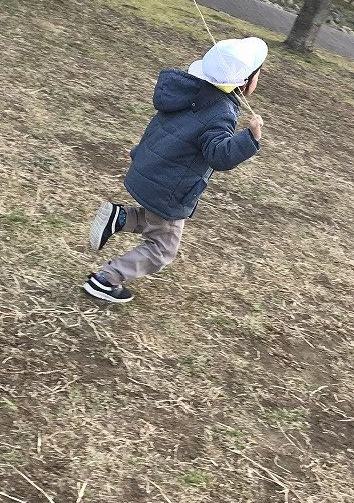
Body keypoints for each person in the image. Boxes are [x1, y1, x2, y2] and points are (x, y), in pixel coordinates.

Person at [83, 37, 267, 305]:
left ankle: (120, 218)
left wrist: (139, 153)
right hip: (171, 187)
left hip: (152, 171)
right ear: (245, 82)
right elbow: (219, 156)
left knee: (156, 223)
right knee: (162, 249)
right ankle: (105, 280)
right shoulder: (221, 111)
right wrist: (250, 138)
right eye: (258, 74)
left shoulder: (190, 92)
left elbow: (165, 129)